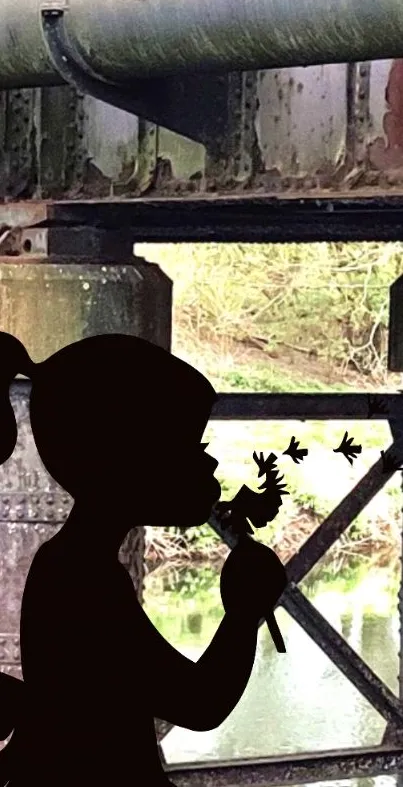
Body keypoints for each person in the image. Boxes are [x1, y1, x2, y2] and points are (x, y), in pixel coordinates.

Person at [0, 332, 287, 786]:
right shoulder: (84, 584)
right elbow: (200, 703)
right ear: (132, 461)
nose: (209, 466)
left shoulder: (67, 565)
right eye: (192, 449)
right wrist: (243, 612)